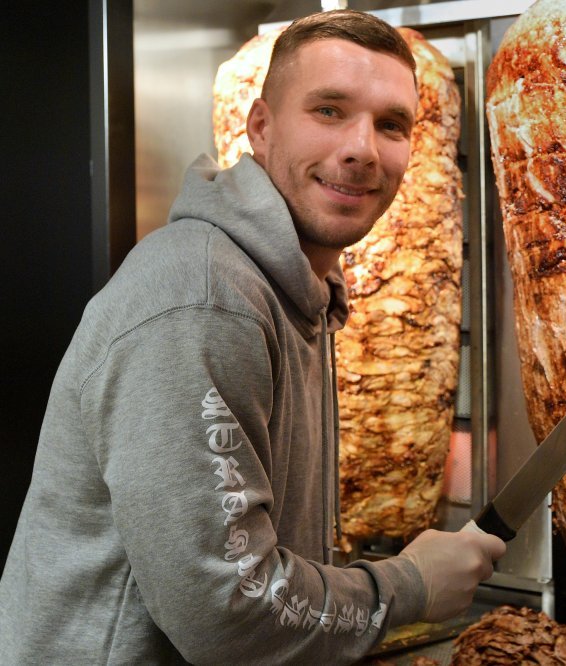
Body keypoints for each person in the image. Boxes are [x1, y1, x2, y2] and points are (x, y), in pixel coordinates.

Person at [0, 9, 505, 664]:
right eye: (329, 110)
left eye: (391, 125)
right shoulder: (204, 299)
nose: (362, 148)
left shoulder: (294, 292)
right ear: (260, 127)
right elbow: (226, 615)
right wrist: (408, 587)